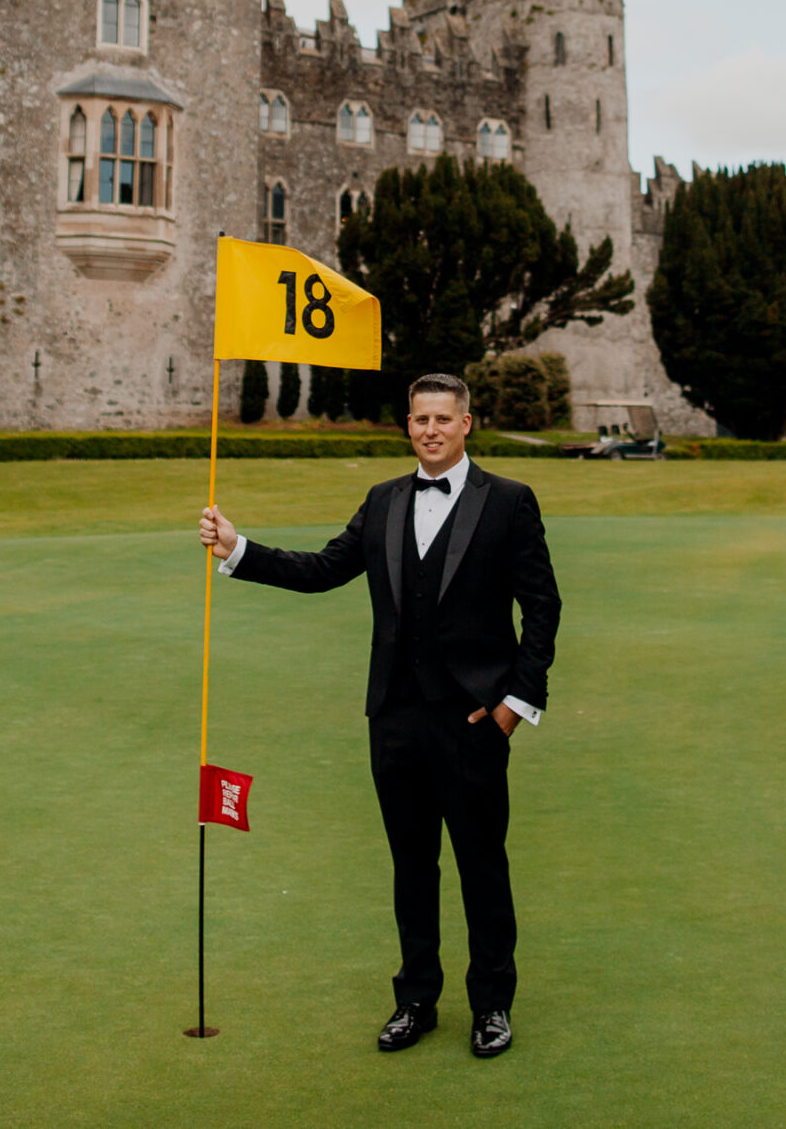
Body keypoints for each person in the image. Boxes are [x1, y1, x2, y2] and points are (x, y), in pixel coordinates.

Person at [198, 371, 561, 1059]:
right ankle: (416, 998)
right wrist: (238, 550)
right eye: (419, 418)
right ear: (408, 425)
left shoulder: (510, 502)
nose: (429, 429)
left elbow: (542, 607)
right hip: (394, 719)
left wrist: (516, 703)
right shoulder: (384, 499)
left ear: (466, 424)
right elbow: (325, 568)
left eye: (442, 419)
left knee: (483, 865)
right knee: (410, 866)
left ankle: (492, 1005)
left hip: (474, 721)